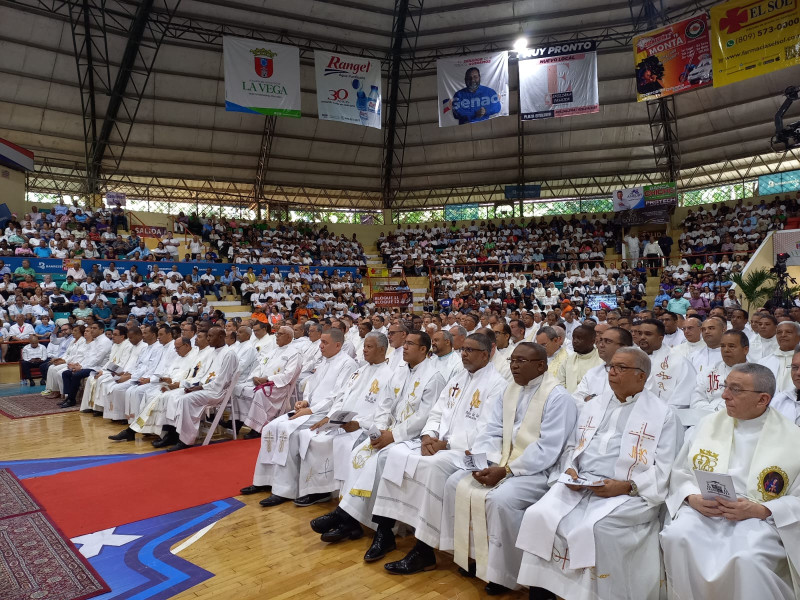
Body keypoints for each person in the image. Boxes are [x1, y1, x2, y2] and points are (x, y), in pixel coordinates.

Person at [516, 347, 683, 600]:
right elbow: (572, 445)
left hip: (629, 493)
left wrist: (625, 486)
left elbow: (666, 468)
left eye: (621, 368)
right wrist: (571, 468)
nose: (612, 372)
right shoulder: (593, 404)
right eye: (611, 367)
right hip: (582, 482)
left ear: (641, 376)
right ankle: (542, 592)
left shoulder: (664, 415)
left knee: (597, 528)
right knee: (539, 514)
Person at [439, 342, 578, 594]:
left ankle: (507, 573)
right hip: (500, 461)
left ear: (541, 365)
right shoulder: (510, 390)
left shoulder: (559, 398)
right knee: (455, 483)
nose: (513, 365)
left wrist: (507, 470)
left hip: (538, 471)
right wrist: (483, 460)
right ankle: (476, 558)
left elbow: (549, 448)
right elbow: (492, 430)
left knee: (502, 500)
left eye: (521, 361)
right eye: (512, 360)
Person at [365, 332, 508, 573]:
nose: (464, 354)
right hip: (440, 445)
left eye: (470, 350)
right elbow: (436, 412)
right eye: (463, 350)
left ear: (485, 355)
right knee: (396, 454)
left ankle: (424, 551)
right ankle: (385, 531)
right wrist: (427, 435)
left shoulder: (497, 385)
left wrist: (447, 444)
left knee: (431, 468)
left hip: (471, 452)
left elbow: (486, 430)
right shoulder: (458, 379)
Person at [661, 363, 800, 600]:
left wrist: (762, 508)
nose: (724, 395)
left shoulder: (793, 439)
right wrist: (691, 497)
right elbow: (681, 471)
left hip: (758, 520)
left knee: (746, 559)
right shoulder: (708, 424)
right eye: (726, 387)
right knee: (676, 537)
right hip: (705, 511)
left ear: (762, 399)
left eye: (735, 390)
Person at [311, 330, 445, 550]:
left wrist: (394, 435)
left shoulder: (434, 376)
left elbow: (425, 416)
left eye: (410, 343)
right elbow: (385, 404)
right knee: (359, 453)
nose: (405, 347)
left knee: (377, 461)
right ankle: (351, 522)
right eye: (406, 343)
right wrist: (380, 430)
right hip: (389, 432)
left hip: (410, 437)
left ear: (423, 349)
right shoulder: (400, 372)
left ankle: (346, 517)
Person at [261, 332, 393, 504]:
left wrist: (359, 423)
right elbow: (341, 397)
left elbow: (383, 410)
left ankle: (321, 491)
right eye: (365, 346)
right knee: (308, 434)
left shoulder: (388, 375)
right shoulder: (360, 371)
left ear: (382, 350)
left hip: (360, 426)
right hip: (341, 420)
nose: (364, 350)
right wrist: (331, 417)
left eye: (369, 347)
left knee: (316, 438)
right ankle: (299, 486)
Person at [252, 328, 358, 506]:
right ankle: (265, 480)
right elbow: (312, 385)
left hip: (325, 413)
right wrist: (305, 401)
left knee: (289, 432)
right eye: (321, 342)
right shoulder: (325, 361)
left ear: (338, 345)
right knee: (271, 427)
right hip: (311, 409)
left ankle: (285, 489)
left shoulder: (347, 364)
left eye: (325, 343)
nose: (321, 346)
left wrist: (312, 409)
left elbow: (338, 395)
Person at [160, 325, 238, 451]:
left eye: (210, 336)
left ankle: (186, 440)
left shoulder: (229, 354)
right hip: (206, 388)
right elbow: (203, 374)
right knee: (176, 395)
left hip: (217, 392)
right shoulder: (213, 352)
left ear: (221, 337)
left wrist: (200, 388)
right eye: (208, 336)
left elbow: (221, 381)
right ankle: (174, 434)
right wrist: (193, 386)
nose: (208, 339)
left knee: (186, 400)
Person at [238, 326, 303, 438]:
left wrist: (267, 379)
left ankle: (257, 428)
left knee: (259, 394)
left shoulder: (294, 353)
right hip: (262, 382)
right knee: (239, 388)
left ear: (288, 337)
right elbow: (260, 365)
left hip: (279, 387)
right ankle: (238, 421)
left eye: (280, 334)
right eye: (277, 333)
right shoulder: (273, 351)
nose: (276, 336)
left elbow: (288, 375)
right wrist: (255, 377)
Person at [686, 330, 750, 426]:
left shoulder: (754, 375)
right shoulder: (708, 372)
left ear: (745, 350)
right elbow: (696, 402)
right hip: (706, 421)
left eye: (731, 346)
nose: (726, 350)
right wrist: (714, 414)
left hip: (740, 423)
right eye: (723, 346)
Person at [636, 318, 696, 408]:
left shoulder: (678, 361)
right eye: (640, 333)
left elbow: (682, 397)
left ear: (660, 338)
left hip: (664, 414)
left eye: (648, 334)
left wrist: (662, 413)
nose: (642, 337)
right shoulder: (629, 357)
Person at [57, 322, 112, 407]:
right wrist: (79, 365)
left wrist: (81, 367)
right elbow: (88, 356)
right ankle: (68, 397)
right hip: (89, 365)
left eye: (94, 328)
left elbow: (97, 359)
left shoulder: (105, 341)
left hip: (98, 367)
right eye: (92, 328)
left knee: (76, 375)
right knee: (66, 373)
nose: (92, 330)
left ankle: (72, 400)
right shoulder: (95, 341)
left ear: (101, 330)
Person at [573, 326, 633, 403]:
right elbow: (576, 400)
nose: (601, 345)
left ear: (624, 347)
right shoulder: (592, 373)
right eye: (601, 340)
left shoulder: (635, 372)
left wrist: (593, 400)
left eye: (608, 341)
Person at [555, 325, 603, 393]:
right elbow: (559, 384)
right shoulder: (568, 360)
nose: (574, 341)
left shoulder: (602, 360)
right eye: (573, 338)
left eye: (579, 338)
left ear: (592, 341)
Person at [757, 320, 800, 393]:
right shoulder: (763, 362)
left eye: (788, 332)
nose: (783, 335)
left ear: (799, 336)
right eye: (779, 332)